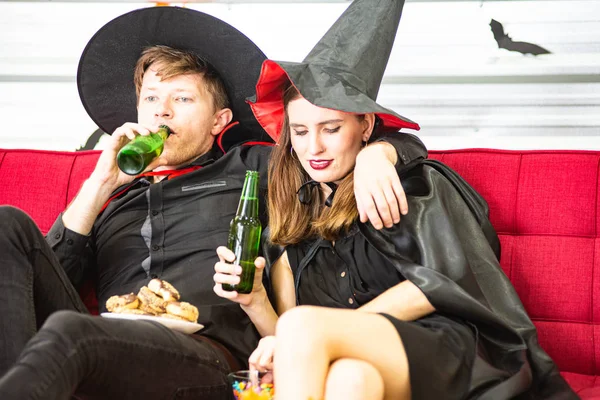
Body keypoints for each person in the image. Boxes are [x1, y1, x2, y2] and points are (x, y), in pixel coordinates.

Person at [0, 6, 427, 400]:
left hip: (204, 353)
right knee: (8, 225)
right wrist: (99, 184)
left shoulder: (254, 167)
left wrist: (384, 153)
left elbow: (334, 144)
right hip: (106, 342)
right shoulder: (109, 197)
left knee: (74, 333)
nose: (161, 114)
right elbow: (46, 281)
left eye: (182, 99)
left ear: (219, 121)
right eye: (151, 99)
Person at [213, 0, 578, 399]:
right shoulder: (290, 217)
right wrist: (254, 301)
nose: (313, 146)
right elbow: (287, 341)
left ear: (365, 124)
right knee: (349, 379)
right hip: (362, 363)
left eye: (331, 128)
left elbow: (441, 279)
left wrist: (385, 152)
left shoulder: (413, 183)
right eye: (299, 131)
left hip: (446, 347)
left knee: (303, 327)